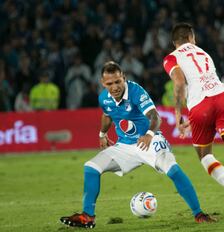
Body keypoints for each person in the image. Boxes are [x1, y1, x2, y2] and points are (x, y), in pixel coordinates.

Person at [60, 61, 215, 229]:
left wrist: (149, 135)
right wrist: (102, 134)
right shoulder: (103, 98)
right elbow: (107, 115)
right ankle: (88, 216)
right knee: (91, 167)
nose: (115, 87)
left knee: (173, 169)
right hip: (125, 146)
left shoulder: (136, 92)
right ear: (103, 84)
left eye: (118, 81)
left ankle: (199, 214)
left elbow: (155, 117)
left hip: (150, 140)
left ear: (124, 78)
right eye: (110, 83)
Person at [163, 22, 224, 213]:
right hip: (222, 97)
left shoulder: (171, 58)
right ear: (191, 38)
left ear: (174, 42)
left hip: (200, 105)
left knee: (204, 156)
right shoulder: (203, 53)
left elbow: (179, 82)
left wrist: (178, 113)